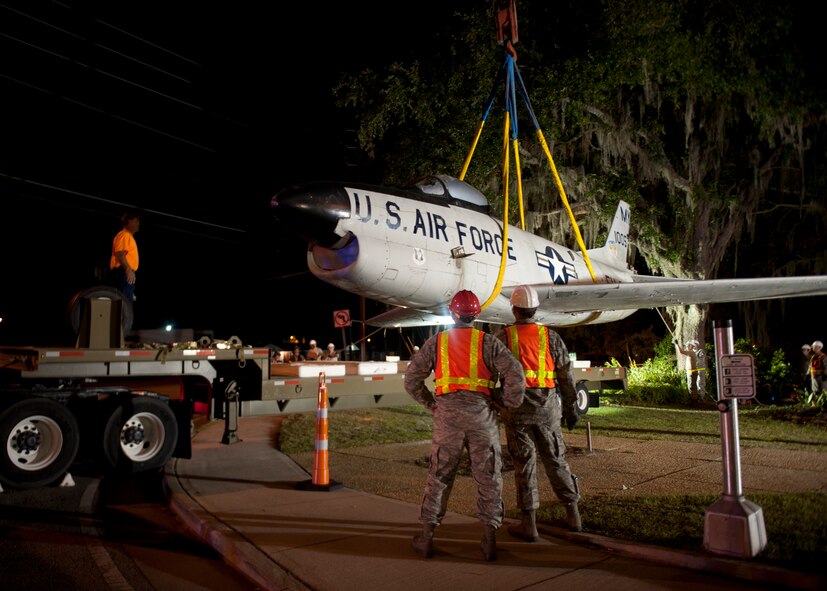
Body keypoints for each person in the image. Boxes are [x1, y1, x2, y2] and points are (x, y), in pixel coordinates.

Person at [404, 289, 525, 562]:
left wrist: (431, 403)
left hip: (447, 419)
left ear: (452, 313)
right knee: (488, 478)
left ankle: (426, 538)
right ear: (476, 315)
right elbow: (515, 373)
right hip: (482, 418)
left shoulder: (437, 343)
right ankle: (489, 541)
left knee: (439, 476)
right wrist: (505, 402)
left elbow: (411, 380)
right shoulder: (488, 343)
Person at [496, 285, 582, 540]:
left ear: (514, 309)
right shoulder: (550, 337)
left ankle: (529, 525)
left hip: (517, 411)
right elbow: (566, 376)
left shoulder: (503, 337)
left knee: (525, 465)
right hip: (547, 410)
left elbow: (490, 374)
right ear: (535, 309)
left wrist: (497, 402)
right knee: (556, 461)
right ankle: (573, 514)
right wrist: (571, 408)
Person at [110, 211, 140, 302]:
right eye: (136, 221)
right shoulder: (125, 235)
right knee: (124, 303)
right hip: (123, 272)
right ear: (129, 221)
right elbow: (119, 253)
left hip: (125, 272)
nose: (138, 223)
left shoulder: (128, 236)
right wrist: (128, 269)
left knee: (126, 302)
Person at [675, 339, 706, 403]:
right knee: (692, 386)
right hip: (692, 372)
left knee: (692, 386)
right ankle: (694, 399)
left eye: (688, 345)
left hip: (692, 372)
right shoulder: (691, 352)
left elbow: (681, 352)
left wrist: (676, 344)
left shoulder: (691, 352)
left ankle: (694, 400)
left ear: (692, 346)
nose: (687, 346)